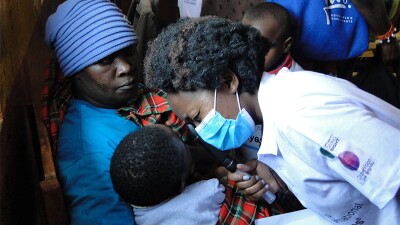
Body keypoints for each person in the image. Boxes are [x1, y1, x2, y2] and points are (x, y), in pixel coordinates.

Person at [143, 16, 400, 225]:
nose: (202, 129)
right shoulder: (278, 116)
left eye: (198, 116)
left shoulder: (301, 117)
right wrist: (282, 180)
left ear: (228, 81)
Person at [44, 0, 190, 224]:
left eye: (129, 51)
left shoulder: (126, 101)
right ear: (76, 72)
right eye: (105, 61)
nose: (126, 68)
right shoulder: (90, 158)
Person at [110, 124, 283, 225]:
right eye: (185, 147)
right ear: (182, 185)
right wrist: (227, 177)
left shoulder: (141, 205)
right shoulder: (211, 192)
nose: (181, 135)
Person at [241, 2, 303, 74]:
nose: (252, 53)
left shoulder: (297, 77)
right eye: (245, 42)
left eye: (263, 47)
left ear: (286, 45)